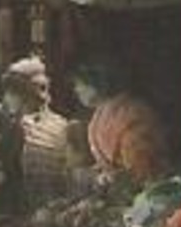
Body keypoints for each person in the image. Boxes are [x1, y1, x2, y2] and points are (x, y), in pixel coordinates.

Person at [72, 57, 172, 186]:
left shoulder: (131, 114)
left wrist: (109, 178)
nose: (76, 90)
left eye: (80, 84)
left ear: (95, 83)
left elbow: (142, 167)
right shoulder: (100, 114)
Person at [3, 56, 72, 212]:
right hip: (56, 206)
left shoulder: (18, 129)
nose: (6, 99)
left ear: (24, 95)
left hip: (31, 207)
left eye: (11, 93)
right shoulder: (62, 122)